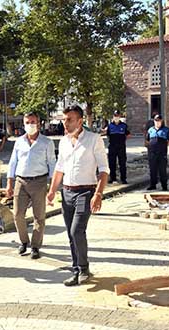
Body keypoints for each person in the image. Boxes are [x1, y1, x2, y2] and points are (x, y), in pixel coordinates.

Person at [46, 105, 108, 286]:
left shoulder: (94, 139)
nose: (65, 123)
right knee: (71, 234)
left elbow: (104, 170)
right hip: (67, 192)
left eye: (69, 120)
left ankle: (83, 268)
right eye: (64, 120)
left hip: (86, 192)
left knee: (77, 231)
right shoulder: (64, 141)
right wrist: (51, 191)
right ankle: (76, 270)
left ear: (80, 121)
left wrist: (98, 194)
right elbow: (59, 168)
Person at [6, 112, 57, 260]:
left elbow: (52, 163)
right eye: (27, 122)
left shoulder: (46, 142)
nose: (30, 125)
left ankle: (35, 246)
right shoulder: (19, 142)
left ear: (39, 123)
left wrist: (53, 186)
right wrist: (9, 183)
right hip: (21, 181)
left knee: (39, 216)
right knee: (17, 214)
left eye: (33, 122)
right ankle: (23, 241)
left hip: (39, 182)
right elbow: (13, 162)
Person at [145, 115, 169, 191]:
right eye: (156, 120)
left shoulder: (166, 130)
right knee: (152, 169)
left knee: (162, 170)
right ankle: (153, 185)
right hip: (152, 153)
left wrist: (163, 147)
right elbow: (147, 140)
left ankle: (164, 186)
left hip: (162, 153)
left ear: (162, 121)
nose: (157, 122)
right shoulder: (150, 130)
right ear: (154, 121)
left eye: (159, 120)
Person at [103, 110, 130, 184]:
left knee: (122, 163)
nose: (116, 117)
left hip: (121, 147)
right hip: (112, 146)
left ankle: (123, 179)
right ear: (113, 116)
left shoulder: (124, 126)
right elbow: (108, 135)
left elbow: (128, 134)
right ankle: (112, 178)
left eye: (117, 116)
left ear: (120, 116)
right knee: (112, 163)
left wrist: (122, 141)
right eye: (115, 116)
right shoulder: (110, 126)